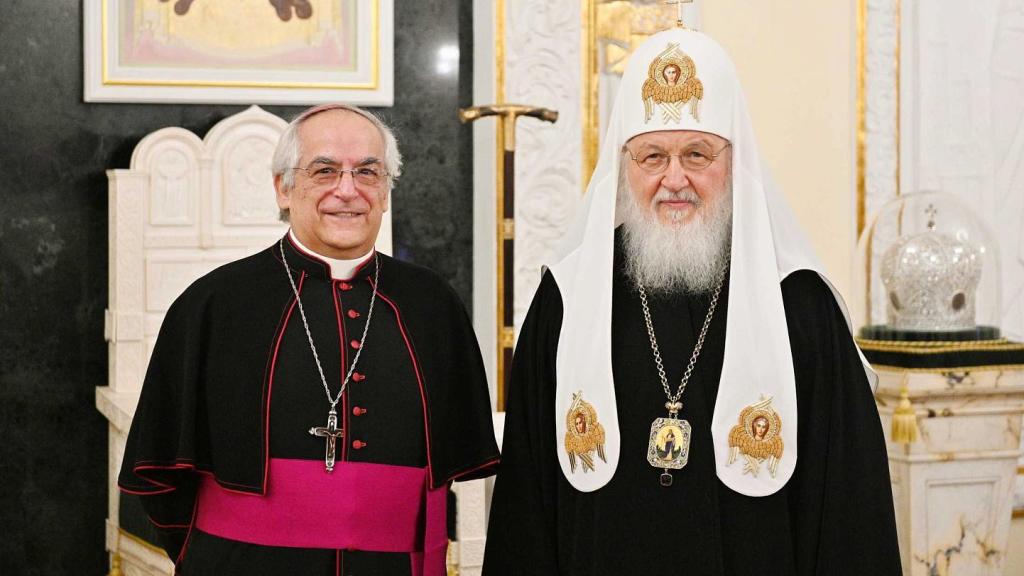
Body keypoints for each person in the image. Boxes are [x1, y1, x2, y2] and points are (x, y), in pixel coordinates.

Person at [483, 28, 900, 575]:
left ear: (733, 161)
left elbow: (849, 510)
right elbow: (526, 511)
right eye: (652, 156)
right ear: (623, 165)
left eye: (697, 154)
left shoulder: (798, 302)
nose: (673, 179)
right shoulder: (566, 299)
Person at [119, 103, 499, 575]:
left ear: (386, 192)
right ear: (283, 188)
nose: (347, 190)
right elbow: (159, 479)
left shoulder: (432, 304)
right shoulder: (214, 303)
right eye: (324, 171)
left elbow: (460, 468)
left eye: (368, 172)